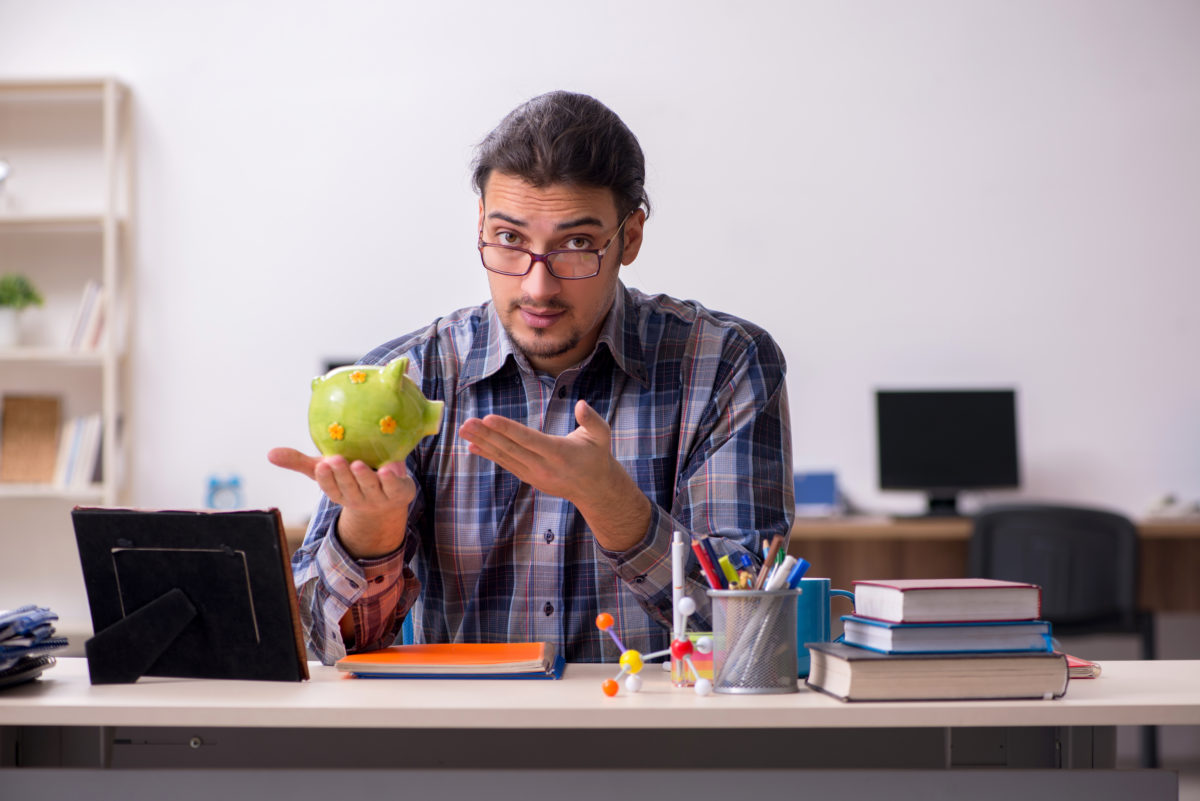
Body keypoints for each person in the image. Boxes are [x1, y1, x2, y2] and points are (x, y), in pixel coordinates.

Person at [270, 91, 793, 665]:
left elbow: (750, 635)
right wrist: (372, 529)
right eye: (511, 240)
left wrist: (614, 505)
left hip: (655, 741)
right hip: (458, 745)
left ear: (631, 237)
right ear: (481, 226)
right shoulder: (409, 379)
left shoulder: (724, 366)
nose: (537, 287)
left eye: (576, 245)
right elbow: (320, 647)